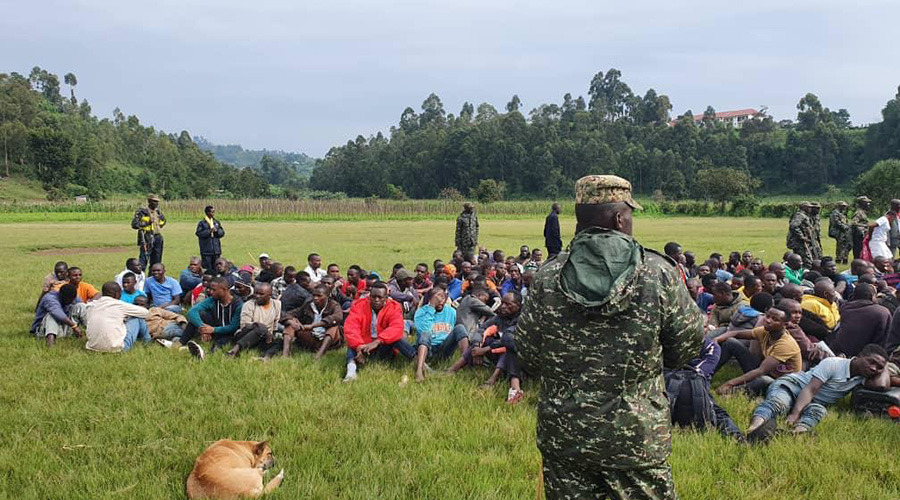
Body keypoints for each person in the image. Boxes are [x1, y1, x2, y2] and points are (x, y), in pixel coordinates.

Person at [516, 175, 703, 500]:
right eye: (630, 214)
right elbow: (685, 347)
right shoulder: (657, 274)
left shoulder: (547, 276)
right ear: (619, 218)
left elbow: (529, 353)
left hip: (567, 435)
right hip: (636, 437)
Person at [745, 344, 888, 442]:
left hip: (814, 401)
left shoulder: (863, 377)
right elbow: (810, 389)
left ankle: (796, 434)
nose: (874, 369)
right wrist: (795, 414)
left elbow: (881, 385)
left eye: (879, 367)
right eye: (871, 362)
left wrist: (884, 369)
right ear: (860, 356)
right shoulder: (834, 363)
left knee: (818, 411)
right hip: (793, 386)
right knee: (778, 403)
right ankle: (755, 428)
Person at [665, 338, 743, 441]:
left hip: (697, 386)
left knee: (715, 410)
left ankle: (736, 437)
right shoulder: (667, 343)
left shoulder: (711, 346)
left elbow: (701, 372)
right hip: (668, 384)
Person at [714, 304, 802, 395]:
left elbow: (761, 371)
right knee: (730, 342)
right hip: (766, 372)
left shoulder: (786, 344)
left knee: (764, 380)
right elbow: (736, 333)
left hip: (781, 383)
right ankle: (706, 374)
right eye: (767, 316)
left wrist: (729, 383)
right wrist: (716, 340)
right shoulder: (765, 331)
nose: (768, 321)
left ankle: (729, 392)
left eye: (775, 319)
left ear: (785, 324)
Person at [342, 282, 415, 382]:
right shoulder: (359, 305)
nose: (376, 300)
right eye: (373, 297)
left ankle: (419, 363)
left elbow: (396, 327)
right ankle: (351, 372)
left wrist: (377, 341)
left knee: (397, 339)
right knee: (352, 343)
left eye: (380, 297)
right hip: (364, 345)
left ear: (386, 297)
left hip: (383, 346)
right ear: (369, 296)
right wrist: (359, 347)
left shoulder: (394, 306)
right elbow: (351, 327)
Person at [177, 277, 243, 358]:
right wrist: (203, 328)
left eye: (214, 290)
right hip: (214, 328)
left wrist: (213, 330)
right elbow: (192, 311)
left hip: (229, 333)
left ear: (224, 289)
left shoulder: (238, 304)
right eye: (210, 289)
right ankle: (180, 342)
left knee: (218, 345)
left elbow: (233, 327)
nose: (211, 292)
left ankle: (205, 354)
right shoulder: (213, 300)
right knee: (198, 315)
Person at [413, 289, 468, 382]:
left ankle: (463, 363)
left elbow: (458, 332)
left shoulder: (451, 312)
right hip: (428, 348)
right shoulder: (421, 312)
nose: (440, 300)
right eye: (437, 297)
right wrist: (431, 307)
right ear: (431, 299)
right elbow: (424, 330)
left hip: (444, 348)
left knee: (460, 328)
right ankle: (419, 371)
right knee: (426, 333)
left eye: (442, 297)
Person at [280, 283, 344, 359]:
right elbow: (287, 314)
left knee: (334, 327)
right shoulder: (308, 305)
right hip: (311, 338)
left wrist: (313, 326)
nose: (315, 298)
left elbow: (338, 317)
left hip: (328, 340)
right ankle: (285, 354)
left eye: (319, 296)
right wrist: (291, 321)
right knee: (291, 323)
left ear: (327, 296)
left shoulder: (334, 305)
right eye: (314, 295)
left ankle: (319, 355)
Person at [84, 281, 151, 352]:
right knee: (137, 319)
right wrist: (128, 315)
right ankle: (147, 342)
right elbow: (145, 313)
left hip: (92, 347)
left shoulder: (91, 305)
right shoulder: (119, 305)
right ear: (116, 294)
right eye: (120, 293)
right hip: (116, 349)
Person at [830, 283, 891, 357]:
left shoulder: (845, 308)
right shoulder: (882, 312)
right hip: (866, 358)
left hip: (838, 352)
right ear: (872, 297)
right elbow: (885, 340)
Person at [226, 282, 282, 357]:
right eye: (256, 293)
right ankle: (235, 350)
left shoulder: (277, 304)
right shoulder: (248, 304)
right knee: (261, 328)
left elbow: (275, 324)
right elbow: (244, 325)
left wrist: (271, 335)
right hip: (245, 335)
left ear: (270, 295)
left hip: (263, 338)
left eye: (261, 294)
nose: (257, 296)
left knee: (280, 342)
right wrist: (262, 328)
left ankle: (266, 357)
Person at [31, 283, 87, 348]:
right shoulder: (50, 298)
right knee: (51, 315)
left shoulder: (73, 298)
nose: (71, 301)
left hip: (64, 329)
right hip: (44, 331)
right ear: (61, 295)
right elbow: (58, 313)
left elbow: (81, 306)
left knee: (81, 306)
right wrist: (74, 326)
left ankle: (92, 333)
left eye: (72, 299)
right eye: (69, 299)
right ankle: (50, 345)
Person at [131, 193, 166, 270]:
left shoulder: (158, 212)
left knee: (157, 260)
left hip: (158, 237)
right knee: (144, 260)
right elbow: (135, 224)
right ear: (149, 201)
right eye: (154, 201)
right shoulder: (142, 212)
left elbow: (163, 221)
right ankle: (141, 277)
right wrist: (147, 222)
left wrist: (161, 223)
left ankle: (153, 278)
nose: (156, 203)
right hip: (146, 237)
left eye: (157, 202)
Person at [196, 205, 225, 272]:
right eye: (212, 212)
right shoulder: (202, 223)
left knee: (217, 268)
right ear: (207, 213)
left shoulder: (216, 222)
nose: (213, 214)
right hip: (206, 251)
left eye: (214, 212)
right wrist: (209, 231)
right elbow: (199, 233)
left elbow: (222, 233)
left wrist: (216, 231)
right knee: (208, 270)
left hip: (216, 250)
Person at [851, 195, 872, 260]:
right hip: (858, 235)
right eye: (866, 203)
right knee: (858, 249)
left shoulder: (863, 212)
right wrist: (865, 226)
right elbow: (854, 223)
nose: (868, 204)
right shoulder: (859, 213)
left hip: (863, 234)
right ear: (862, 203)